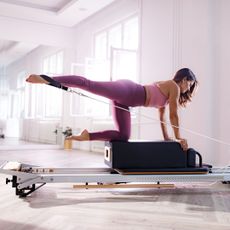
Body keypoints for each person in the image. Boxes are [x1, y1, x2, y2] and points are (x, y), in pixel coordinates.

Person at [26, 68, 198, 151]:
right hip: (127, 90)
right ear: (183, 79)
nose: (187, 89)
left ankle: (88, 136)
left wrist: (168, 138)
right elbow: (174, 115)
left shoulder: (168, 95)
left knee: (123, 136)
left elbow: (163, 117)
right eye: (188, 84)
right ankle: (47, 79)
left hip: (125, 102)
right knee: (88, 84)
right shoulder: (174, 87)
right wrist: (179, 138)